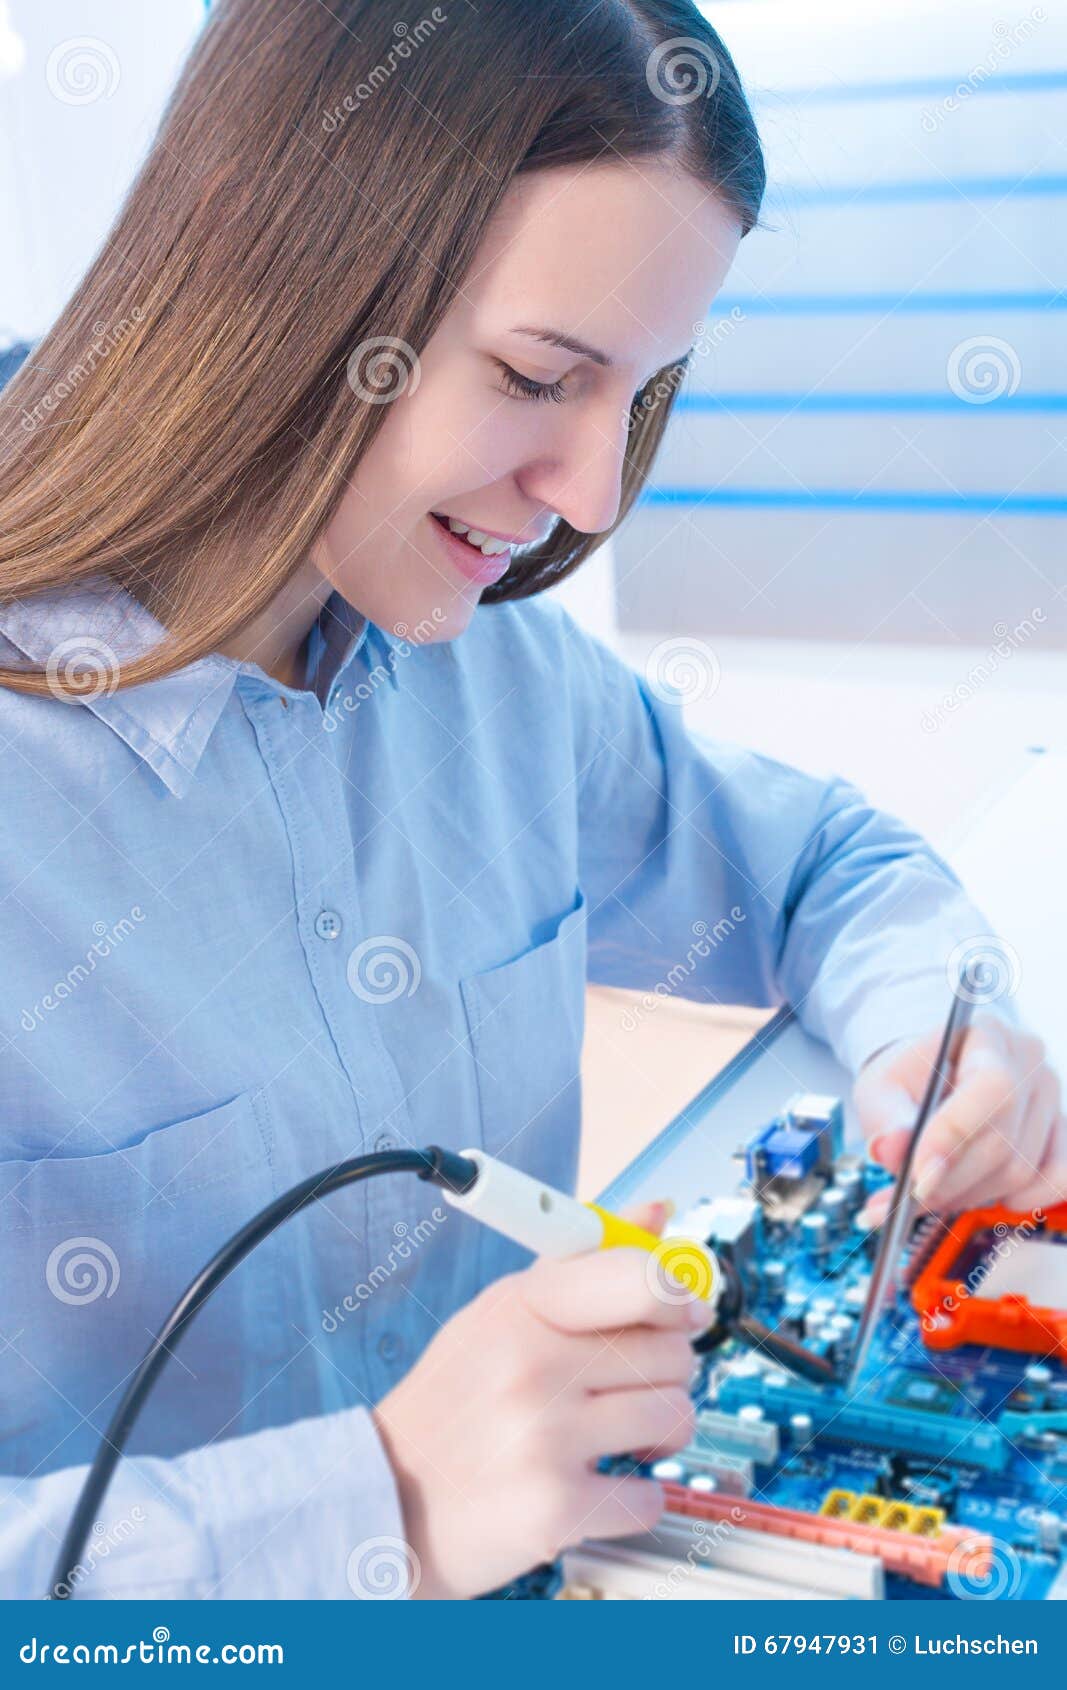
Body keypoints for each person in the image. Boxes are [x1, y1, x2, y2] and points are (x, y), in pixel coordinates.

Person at [0, 0, 1060, 1601]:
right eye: (536, 375)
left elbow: (823, 865)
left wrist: (943, 1037)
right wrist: (381, 1503)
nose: (591, 495)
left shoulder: (495, 675)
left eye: (635, 394)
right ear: (275, 275)